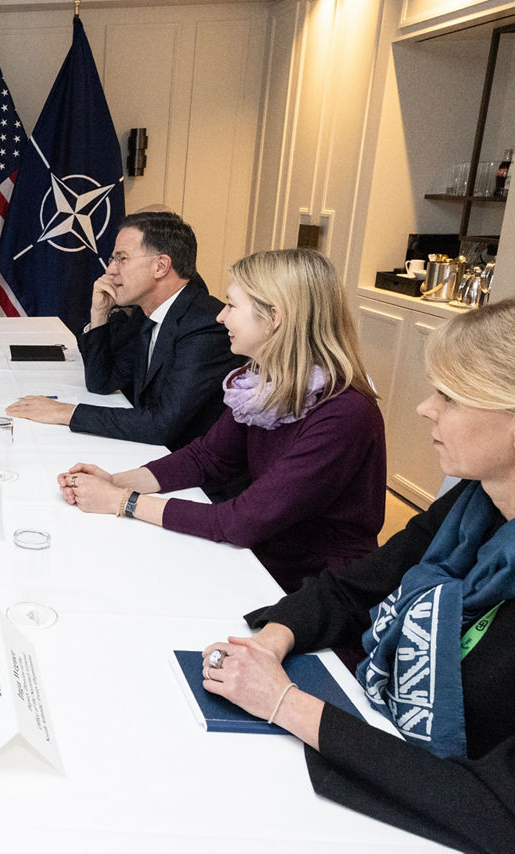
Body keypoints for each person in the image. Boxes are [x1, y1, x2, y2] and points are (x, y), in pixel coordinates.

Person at [199, 300, 515, 852]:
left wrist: (283, 703)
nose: (423, 408)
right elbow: (359, 585)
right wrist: (273, 643)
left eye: (450, 396)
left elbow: (497, 810)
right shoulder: (473, 505)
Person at [56, 249, 385, 593]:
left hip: (312, 591)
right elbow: (207, 458)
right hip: (260, 560)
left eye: (231, 306)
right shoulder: (264, 383)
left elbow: (242, 521)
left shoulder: (343, 413)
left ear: (274, 317)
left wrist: (121, 502)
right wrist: (116, 481)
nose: (220, 317)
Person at [7, 211, 242, 451]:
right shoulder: (147, 312)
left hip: (195, 475)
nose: (110, 270)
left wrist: (66, 413)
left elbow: (161, 425)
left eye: (122, 259)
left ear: (161, 266)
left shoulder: (206, 325)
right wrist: (99, 314)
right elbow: (103, 381)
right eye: (112, 259)